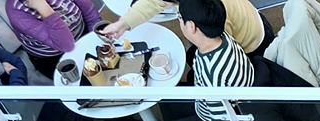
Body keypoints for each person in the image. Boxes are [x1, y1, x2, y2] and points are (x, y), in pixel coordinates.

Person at [97, 0, 268, 56]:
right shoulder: (199, 6)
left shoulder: (210, 13)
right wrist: (123, 24)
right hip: (251, 19)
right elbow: (154, 2)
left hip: (250, 44)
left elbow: (221, 47)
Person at [7, 0, 99, 77]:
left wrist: (95, 39)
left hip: (82, 33)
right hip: (53, 56)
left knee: (104, 61)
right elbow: (66, 45)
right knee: (90, 81)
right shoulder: (16, 11)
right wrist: (43, 8)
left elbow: (91, 15)